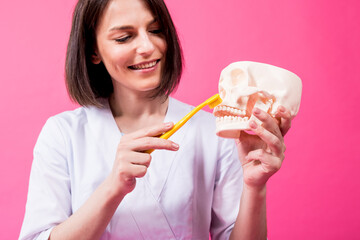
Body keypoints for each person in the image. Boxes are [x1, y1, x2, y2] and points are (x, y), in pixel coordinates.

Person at [19, 0, 291, 239]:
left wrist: (255, 186)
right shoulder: (63, 134)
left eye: (156, 30)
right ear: (93, 51)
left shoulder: (212, 132)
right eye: (124, 37)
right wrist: (114, 187)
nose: (148, 47)